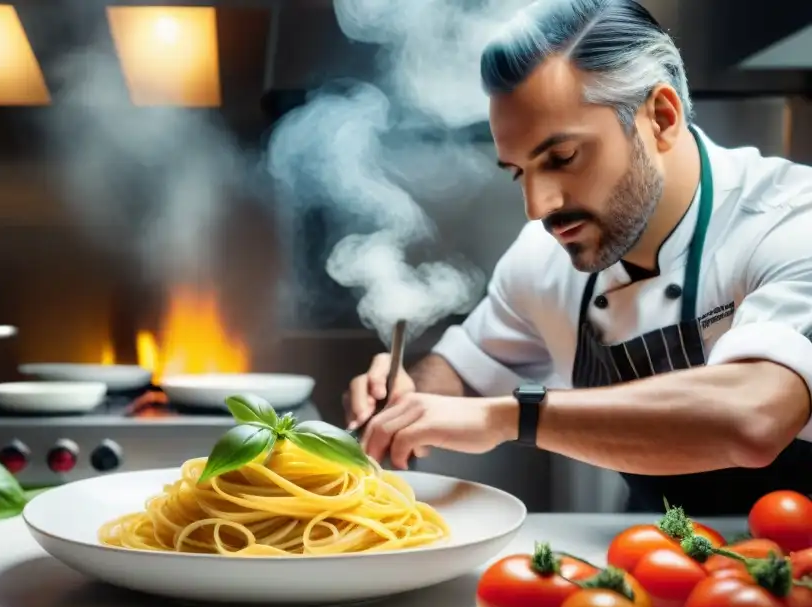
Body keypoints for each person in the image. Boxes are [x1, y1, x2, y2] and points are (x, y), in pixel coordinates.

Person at [344, 0, 812, 517]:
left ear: (660, 117)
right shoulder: (541, 261)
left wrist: (512, 418)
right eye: (519, 172)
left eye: (563, 158)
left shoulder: (790, 219)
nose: (538, 206)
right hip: (653, 560)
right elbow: (463, 371)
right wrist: (402, 397)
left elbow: (755, 418)